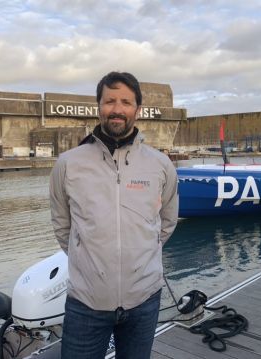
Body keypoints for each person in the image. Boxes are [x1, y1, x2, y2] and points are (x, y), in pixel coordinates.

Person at [49, 71, 179, 359]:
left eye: (125, 102)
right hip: (86, 302)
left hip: (144, 300)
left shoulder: (160, 165)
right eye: (109, 101)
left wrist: (141, 254)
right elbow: (62, 224)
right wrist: (87, 257)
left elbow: (167, 222)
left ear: (138, 110)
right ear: (99, 106)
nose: (117, 109)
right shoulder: (69, 164)